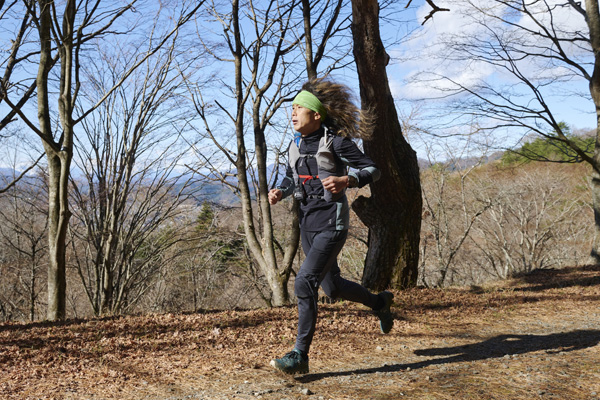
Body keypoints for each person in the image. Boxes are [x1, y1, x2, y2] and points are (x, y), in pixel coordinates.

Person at [268, 78, 394, 375]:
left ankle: (300, 356)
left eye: (299, 107)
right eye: (292, 108)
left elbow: (373, 170)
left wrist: (346, 180)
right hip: (307, 224)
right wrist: (279, 191)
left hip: (332, 224)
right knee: (332, 286)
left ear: (316, 115)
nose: (293, 112)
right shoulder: (294, 145)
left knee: (303, 283)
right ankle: (379, 303)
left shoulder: (336, 142)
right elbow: (291, 179)